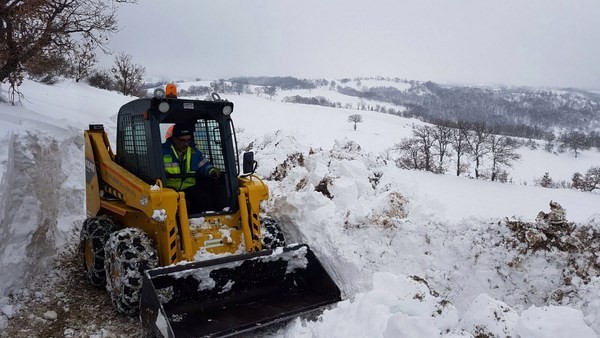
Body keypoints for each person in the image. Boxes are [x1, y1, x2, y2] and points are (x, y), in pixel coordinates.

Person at [163, 124, 221, 212]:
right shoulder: (162, 151)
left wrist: (211, 170)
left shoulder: (194, 152)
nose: (186, 144)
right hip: (168, 189)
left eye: (188, 140)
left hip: (189, 188)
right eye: (182, 140)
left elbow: (203, 164)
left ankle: (199, 221)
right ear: (174, 139)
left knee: (203, 199)